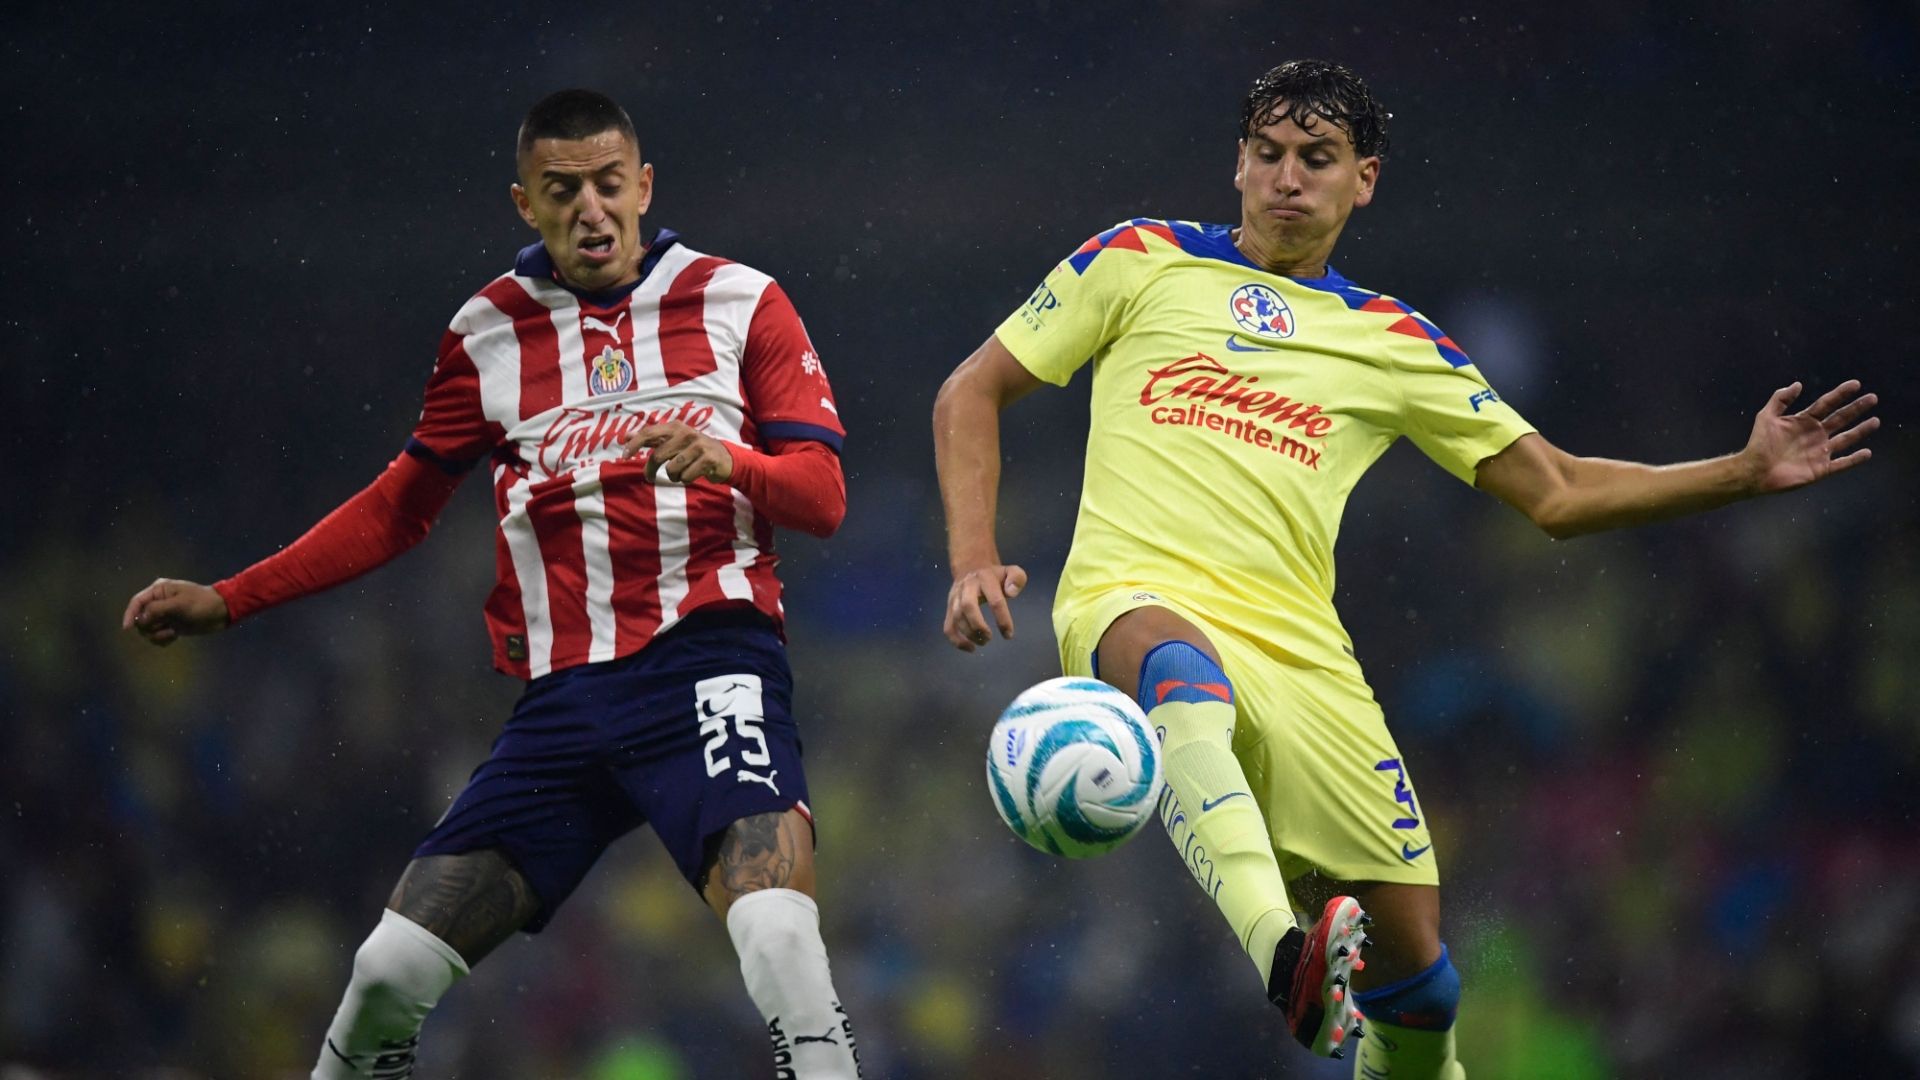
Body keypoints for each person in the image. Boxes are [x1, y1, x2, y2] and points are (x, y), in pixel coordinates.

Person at [932, 59, 1878, 1078]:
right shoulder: (1137, 259)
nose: (1288, 177)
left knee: (1418, 984)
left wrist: (1737, 473)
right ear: (1239, 166)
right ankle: (1279, 952)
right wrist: (974, 556)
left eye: (1317, 158)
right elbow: (970, 392)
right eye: (1269, 154)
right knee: (1177, 672)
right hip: (1135, 595)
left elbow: (1554, 490)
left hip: (1303, 654)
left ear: (1363, 179)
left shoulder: (1392, 341)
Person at [122, 90, 862, 1079]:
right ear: (526, 203)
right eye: (563, 192)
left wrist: (729, 462)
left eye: (609, 186)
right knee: (386, 972)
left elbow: (822, 497)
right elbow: (400, 508)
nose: (591, 210)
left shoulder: (740, 300)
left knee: (776, 936)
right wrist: (231, 596)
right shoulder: (487, 334)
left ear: (644, 187)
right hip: (564, 710)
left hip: (710, 668)